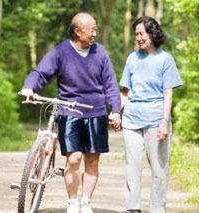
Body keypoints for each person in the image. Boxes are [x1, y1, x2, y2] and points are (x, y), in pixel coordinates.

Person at [21, 12, 121, 213]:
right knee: (73, 158)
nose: (95, 33)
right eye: (91, 29)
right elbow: (41, 72)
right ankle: (73, 201)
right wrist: (29, 87)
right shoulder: (61, 52)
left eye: (95, 29)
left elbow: (110, 84)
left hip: (96, 112)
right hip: (70, 111)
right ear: (77, 31)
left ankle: (86, 202)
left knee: (92, 160)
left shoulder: (100, 52)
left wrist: (116, 110)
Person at [119, 16, 183, 213]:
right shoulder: (132, 58)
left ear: (152, 33)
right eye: (136, 34)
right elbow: (125, 92)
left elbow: (168, 93)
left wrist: (164, 122)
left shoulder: (165, 59)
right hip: (131, 120)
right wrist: (115, 112)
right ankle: (133, 208)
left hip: (156, 121)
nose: (138, 37)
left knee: (159, 170)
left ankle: (157, 209)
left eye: (141, 33)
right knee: (132, 167)